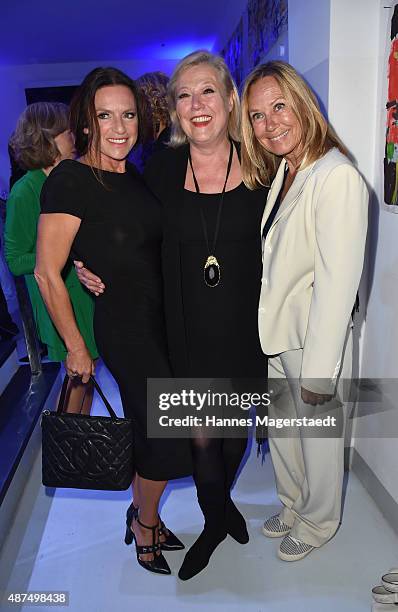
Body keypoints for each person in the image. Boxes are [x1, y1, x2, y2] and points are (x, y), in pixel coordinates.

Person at [75, 51, 268, 581]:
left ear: (230, 100)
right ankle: (212, 523)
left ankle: (223, 508)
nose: (196, 104)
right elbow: (120, 222)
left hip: (248, 324)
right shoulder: (159, 168)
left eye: (207, 91)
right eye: (184, 95)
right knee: (203, 432)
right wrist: (88, 262)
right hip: (182, 323)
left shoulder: (265, 169)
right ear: (175, 111)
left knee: (235, 432)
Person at [34, 67, 192, 576]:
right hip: (125, 327)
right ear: (87, 122)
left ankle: (142, 513)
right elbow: (44, 271)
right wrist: (77, 349)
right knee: (167, 431)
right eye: (106, 116)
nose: (119, 127)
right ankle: (145, 524)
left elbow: (133, 244)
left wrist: (89, 262)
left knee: (154, 427)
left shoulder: (135, 174)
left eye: (127, 115)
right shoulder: (70, 178)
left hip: (163, 320)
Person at [240, 60, 368, 561]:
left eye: (278, 107)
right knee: (286, 433)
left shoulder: (336, 176)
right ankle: (293, 504)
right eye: (256, 116)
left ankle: (317, 524)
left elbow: (338, 285)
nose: (269, 124)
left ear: (303, 105)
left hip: (311, 337)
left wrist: (319, 373)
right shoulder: (288, 172)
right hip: (279, 334)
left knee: (315, 439)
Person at [5, 102, 98, 413]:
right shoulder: (25, 190)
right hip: (59, 301)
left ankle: (80, 454)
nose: (74, 135)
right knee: (77, 382)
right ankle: (68, 457)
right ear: (47, 139)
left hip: (86, 297)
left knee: (87, 382)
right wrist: (58, 255)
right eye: (66, 131)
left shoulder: (73, 177)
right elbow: (16, 258)